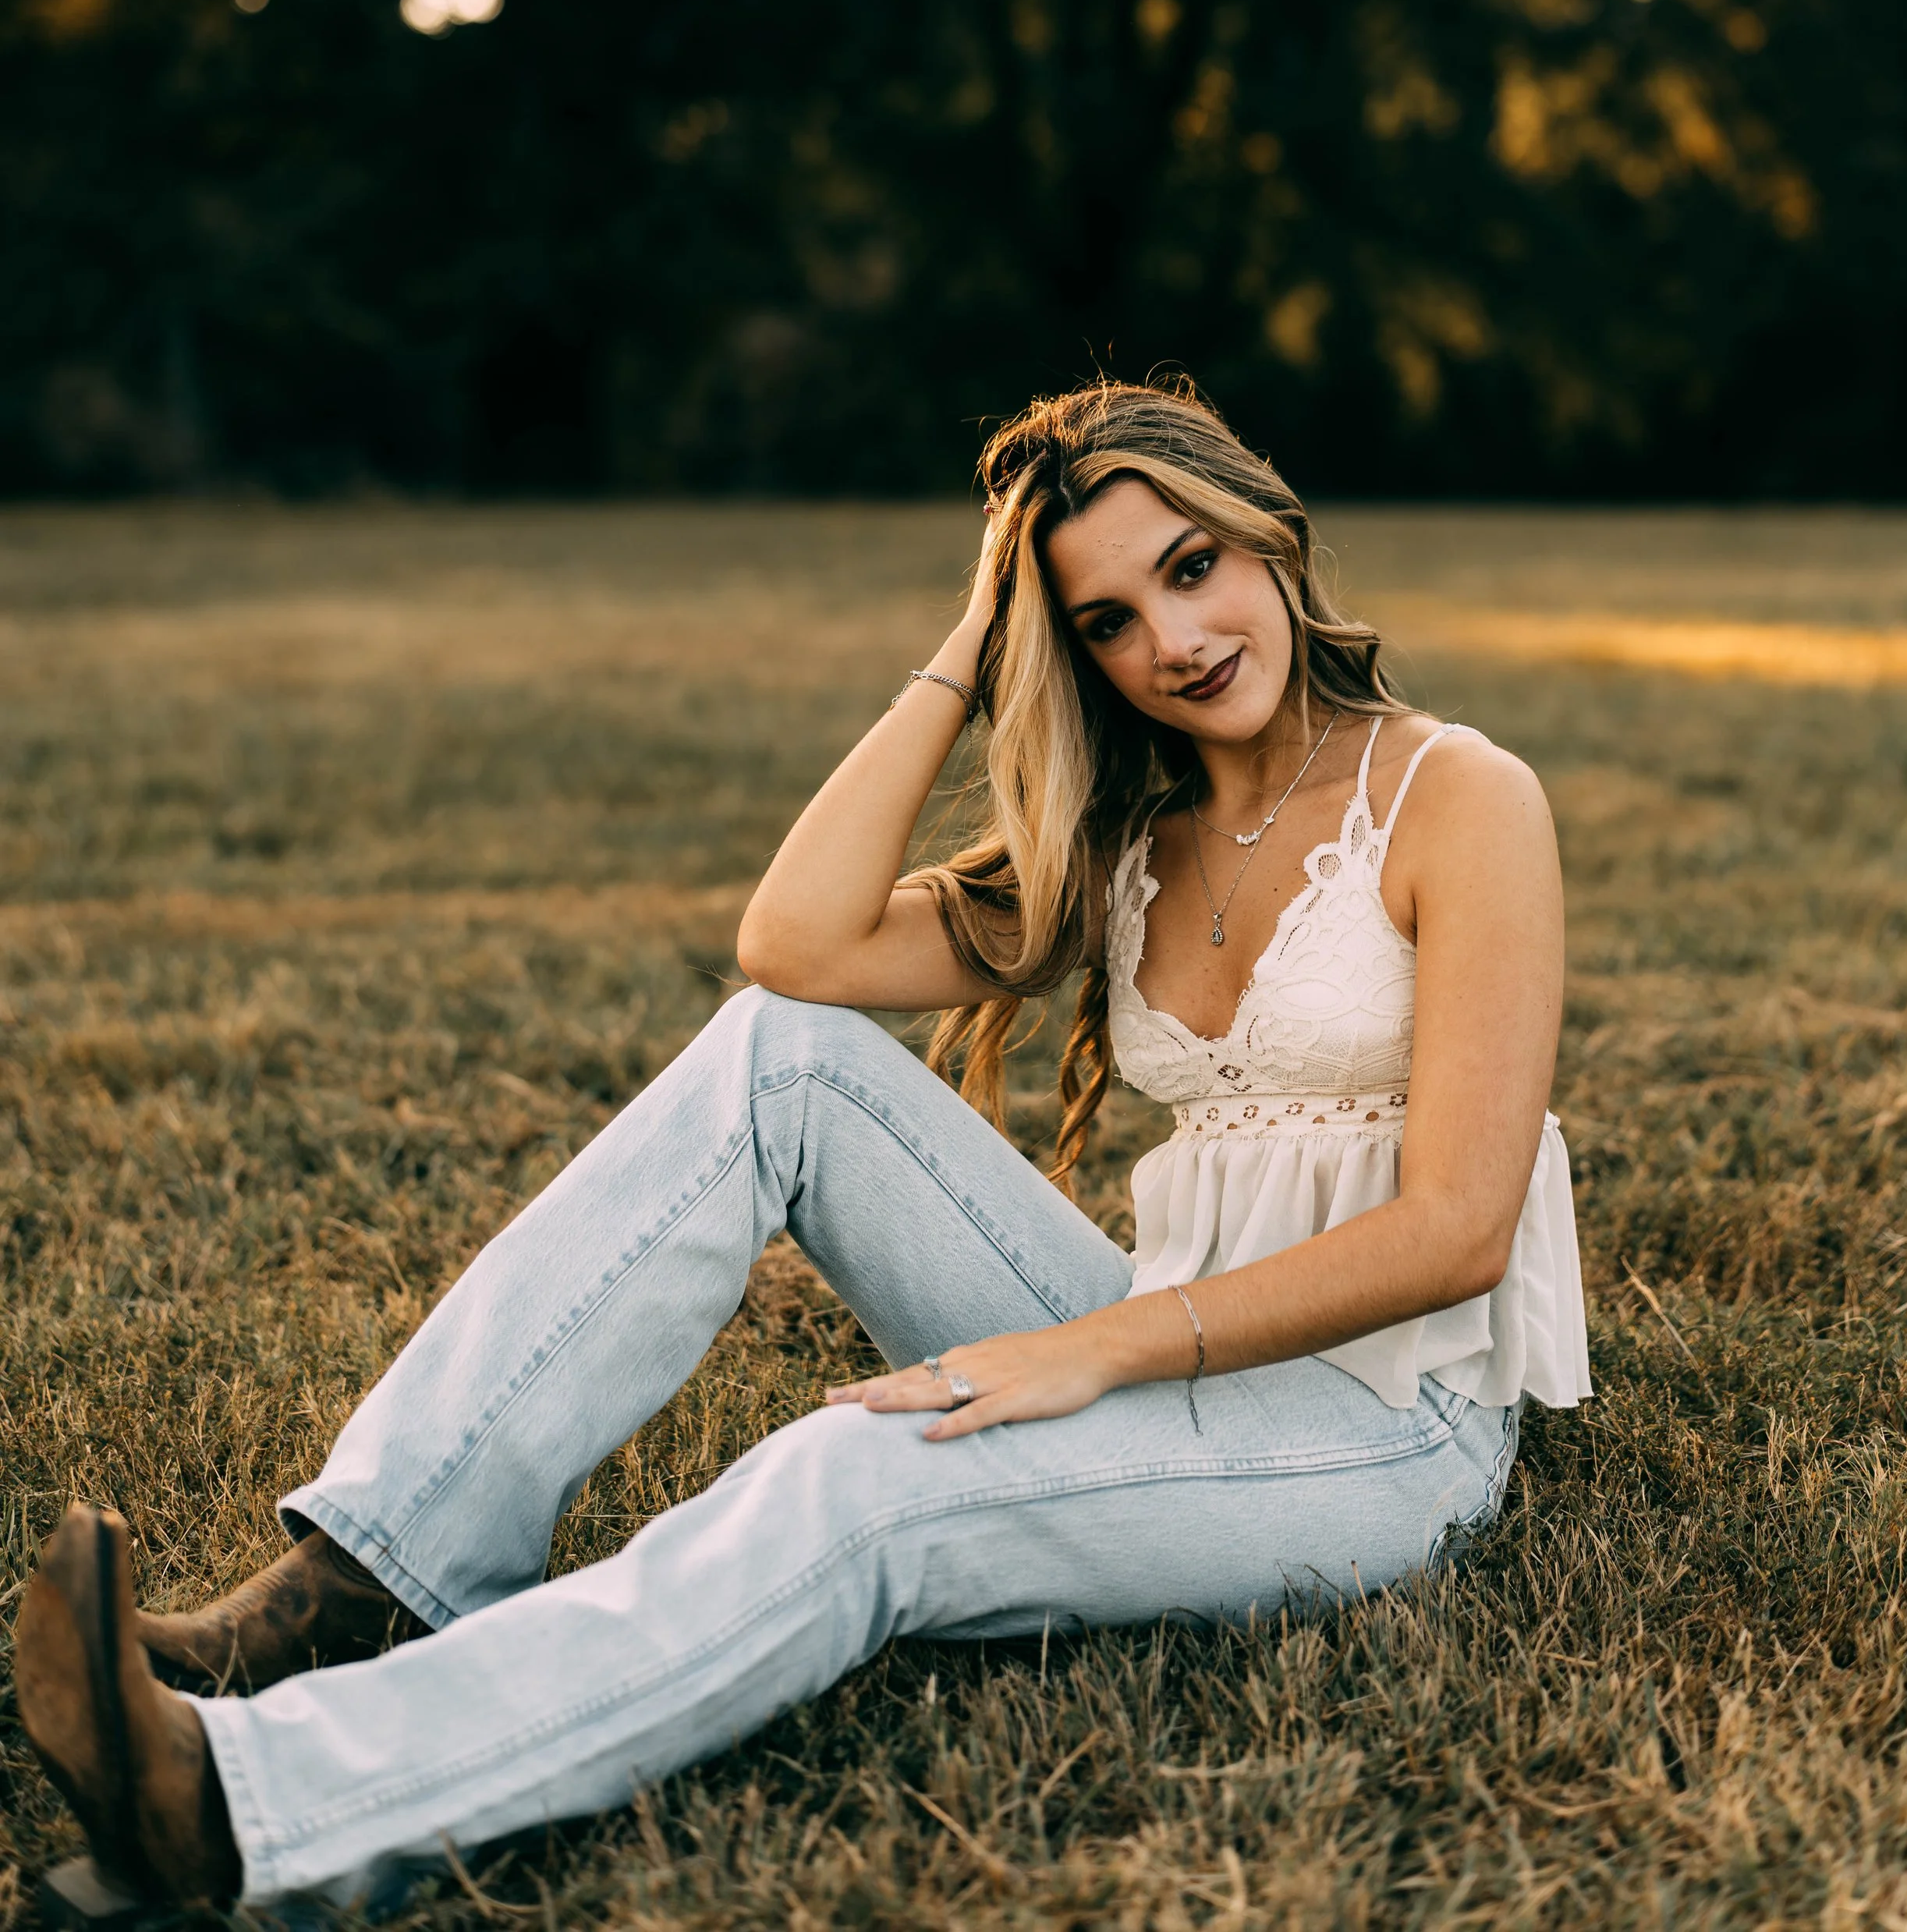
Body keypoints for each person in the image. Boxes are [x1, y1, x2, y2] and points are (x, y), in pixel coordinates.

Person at [16, 378, 1588, 1913]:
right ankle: (353, 1585)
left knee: (863, 1477)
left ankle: (245, 1811)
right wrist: (964, 656)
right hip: (1166, 1355)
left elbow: (1453, 1226)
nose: (1168, 642)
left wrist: (1090, 1352)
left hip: (1386, 1424)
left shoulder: (1455, 796)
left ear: (1270, 539)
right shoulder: (1126, 843)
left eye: (1190, 570)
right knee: (783, 1055)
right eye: (1102, 620)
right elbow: (792, 945)